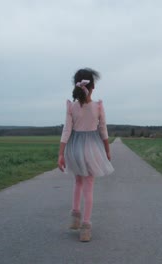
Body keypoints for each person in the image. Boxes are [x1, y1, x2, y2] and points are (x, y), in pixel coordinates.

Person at [58, 68, 114, 242]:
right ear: (93, 86)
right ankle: (85, 227)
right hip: (92, 147)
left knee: (78, 181)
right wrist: (107, 150)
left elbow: (67, 130)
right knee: (89, 186)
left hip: (74, 148)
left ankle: (75, 218)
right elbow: (103, 130)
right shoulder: (98, 106)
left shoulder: (71, 107)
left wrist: (61, 153)